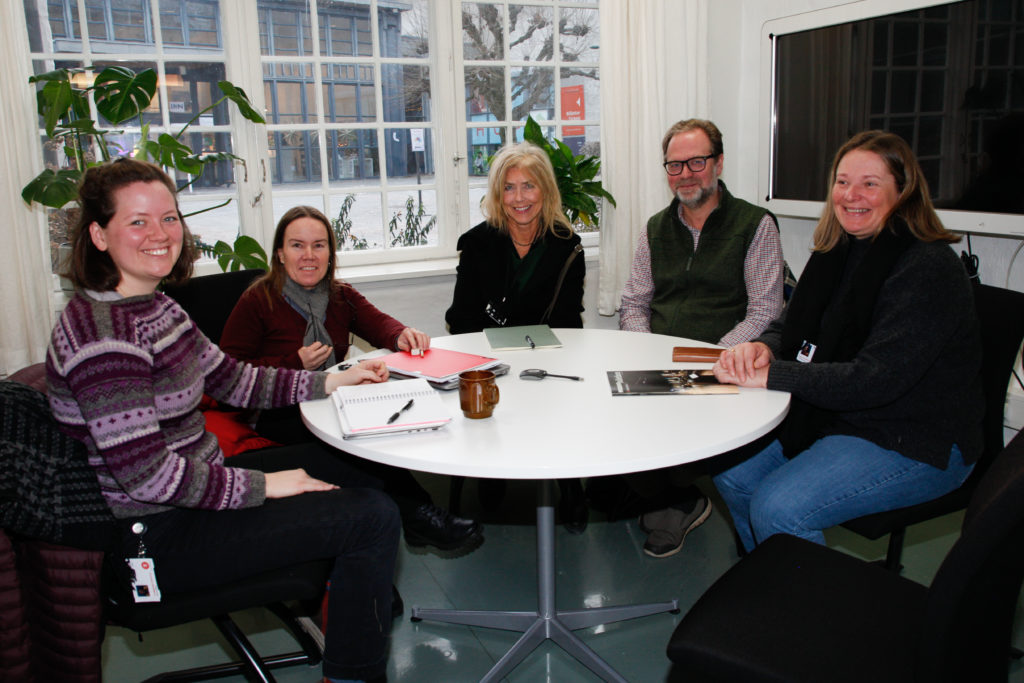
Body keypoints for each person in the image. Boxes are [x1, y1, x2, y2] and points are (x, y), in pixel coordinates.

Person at [45, 158, 399, 683]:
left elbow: (233, 378)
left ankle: (344, 608)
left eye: (169, 218)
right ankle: (352, 672)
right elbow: (148, 477)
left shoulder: (155, 306)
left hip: (195, 497)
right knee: (372, 516)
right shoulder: (105, 339)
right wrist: (266, 484)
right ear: (98, 234)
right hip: (154, 535)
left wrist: (330, 381)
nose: (160, 235)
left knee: (357, 465)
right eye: (137, 221)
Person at [710, 130, 983, 551]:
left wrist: (770, 374)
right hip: (841, 419)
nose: (851, 195)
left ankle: (811, 611)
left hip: (915, 439)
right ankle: (769, 587)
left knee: (779, 507)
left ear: (904, 192)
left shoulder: (927, 268)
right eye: (842, 181)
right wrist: (763, 347)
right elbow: (789, 327)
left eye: (870, 184)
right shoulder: (833, 251)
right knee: (733, 473)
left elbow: (874, 380)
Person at [220, 206, 483, 553]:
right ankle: (418, 517)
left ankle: (403, 523)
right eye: (298, 246)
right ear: (280, 254)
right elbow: (228, 374)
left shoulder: (340, 295)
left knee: (381, 431)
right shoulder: (258, 300)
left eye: (319, 245)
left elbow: (379, 324)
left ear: (330, 253)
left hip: (330, 399)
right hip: (277, 412)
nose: (309, 256)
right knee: (357, 449)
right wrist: (292, 362)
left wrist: (402, 334)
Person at [617, 118, 785, 558]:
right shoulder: (654, 228)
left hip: (723, 361)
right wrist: (645, 349)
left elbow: (765, 310)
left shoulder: (755, 225)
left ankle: (675, 500)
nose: (685, 174)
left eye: (696, 161)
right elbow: (634, 303)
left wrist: (713, 359)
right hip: (656, 360)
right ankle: (669, 494)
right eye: (675, 165)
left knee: (672, 415)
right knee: (608, 405)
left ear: (719, 163)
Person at [444, 141, 588, 532]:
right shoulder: (477, 244)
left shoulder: (567, 246)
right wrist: (493, 356)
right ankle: (491, 473)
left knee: (561, 397)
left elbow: (568, 321)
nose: (519, 198)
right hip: (488, 359)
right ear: (497, 194)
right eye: (509, 188)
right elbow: (461, 319)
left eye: (529, 186)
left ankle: (569, 481)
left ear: (546, 190)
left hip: (547, 359)